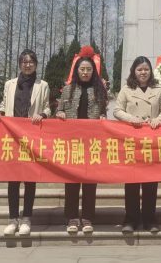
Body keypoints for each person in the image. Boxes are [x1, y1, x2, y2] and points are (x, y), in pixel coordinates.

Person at [0, 49, 50, 236]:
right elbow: (4, 105)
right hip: (12, 136)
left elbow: (48, 107)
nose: (28, 65)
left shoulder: (43, 85)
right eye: (24, 62)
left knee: (30, 179)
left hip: (32, 136)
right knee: (13, 179)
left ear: (36, 64)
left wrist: (42, 114)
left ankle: (26, 218)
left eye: (31, 62)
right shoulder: (10, 84)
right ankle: (12, 219)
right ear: (20, 64)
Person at [113, 56, 161, 234]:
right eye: (139, 69)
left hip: (151, 139)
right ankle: (130, 219)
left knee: (150, 182)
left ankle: (149, 218)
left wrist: (159, 120)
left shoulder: (159, 89)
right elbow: (117, 110)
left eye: (146, 69)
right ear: (134, 71)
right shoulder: (126, 89)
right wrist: (132, 119)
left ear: (150, 71)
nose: (143, 72)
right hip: (132, 139)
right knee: (131, 181)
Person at [55, 51, 108, 234]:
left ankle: (87, 217)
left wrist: (103, 116)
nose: (85, 72)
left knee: (90, 181)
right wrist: (60, 113)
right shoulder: (68, 89)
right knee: (71, 181)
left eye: (88, 69)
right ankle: (71, 216)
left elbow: (103, 112)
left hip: (92, 143)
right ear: (76, 70)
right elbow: (59, 110)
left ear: (94, 71)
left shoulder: (100, 90)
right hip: (72, 142)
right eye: (82, 69)